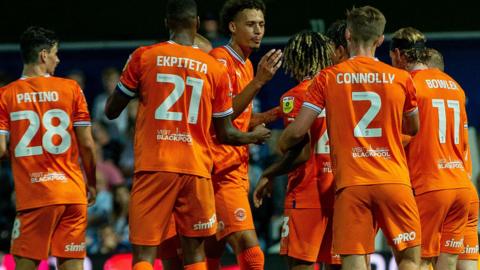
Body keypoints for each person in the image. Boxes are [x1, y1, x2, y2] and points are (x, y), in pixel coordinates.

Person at [104, 1, 271, 270]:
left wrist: (138, 85)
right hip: (197, 169)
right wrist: (254, 136)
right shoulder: (213, 66)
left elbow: (111, 111)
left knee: (146, 257)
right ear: (196, 25)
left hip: (154, 166)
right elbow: (225, 130)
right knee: (194, 255)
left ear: (167, 23)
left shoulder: (144, 56)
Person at [278, 6, 422, 270]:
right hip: (394, 181)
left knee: (353, 262)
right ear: (380, 40)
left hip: (352, 185)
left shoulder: (327, 78)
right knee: (409, 260)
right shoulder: (402, 79)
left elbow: (297, 132)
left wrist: (282, 141)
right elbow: (413, 127)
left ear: (347, 35)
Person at [0, 26, 97, 270]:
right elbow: (86, 143)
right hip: (72, 194)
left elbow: (0, 150)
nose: (58, 58)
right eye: (56, 53)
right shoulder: (72, 89)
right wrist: (92, 181)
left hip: (35, 197)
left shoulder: (5, 95)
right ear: (43, 55)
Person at [252, 31, 341, 270]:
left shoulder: (296, 95)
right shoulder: (341, 90)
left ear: (295, 59)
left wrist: (268, 173)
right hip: (340, 192)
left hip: (307, 194)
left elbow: (300, 153)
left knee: (300, 265)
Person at [204, 0, 283, 269]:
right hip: (221, 170)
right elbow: (222, 119)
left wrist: (279, 112)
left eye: (261, 24)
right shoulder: (220, 60)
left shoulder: (246, 65)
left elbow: (241, 119)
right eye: (250, 24)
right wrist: (260, 81)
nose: (258, 30)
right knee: (252, 255)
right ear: (232, 26)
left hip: (235, 168)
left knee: (210, 252)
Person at [390, 27, 473, 270]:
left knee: (416, 260)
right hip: (460, 185)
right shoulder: (456, 87)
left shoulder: (409, 85)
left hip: (430, 185)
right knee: (446, 262)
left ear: (398, 54)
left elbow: (401, 135)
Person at [424, 47, 479, 270]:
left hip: (437, 187)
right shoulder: (457, 96)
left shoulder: (423, 99)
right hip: (465, 190)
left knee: (418, 260)